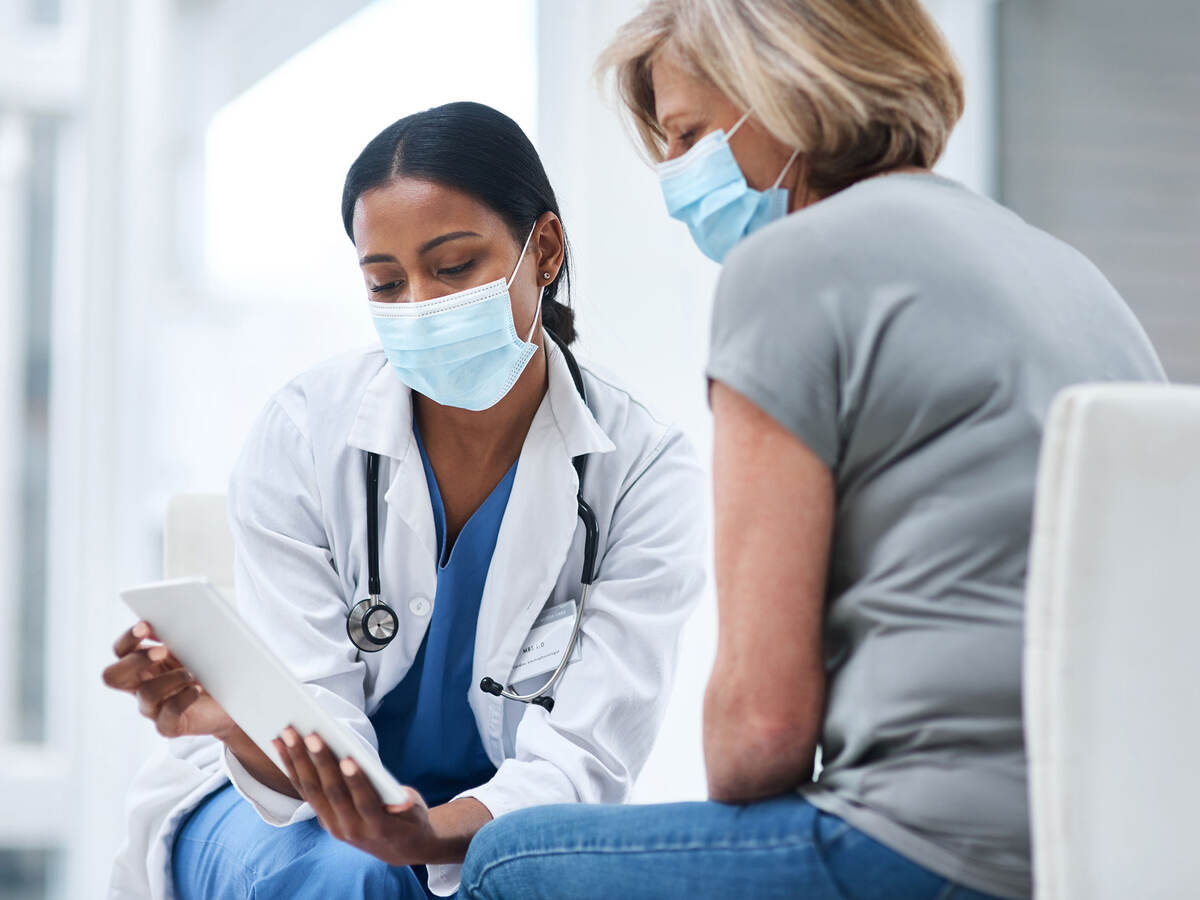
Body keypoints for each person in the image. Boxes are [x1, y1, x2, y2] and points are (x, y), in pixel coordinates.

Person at [457, 3, 1166, 899]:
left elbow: (758, 737)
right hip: (1105, 847)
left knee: (507, 861)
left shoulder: (789, 268)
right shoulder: (1067, 272)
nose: (676, 179)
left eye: (687, 135)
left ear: (788, 89)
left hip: (931, 852)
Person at [103, 101, 706, 900]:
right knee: (359, 879)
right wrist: (244, 732)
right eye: (386, 283)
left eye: (453, 267)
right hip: (276, 809)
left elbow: (586, 758)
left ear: (546, 249)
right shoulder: (305, 435)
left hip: (490, 824)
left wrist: (425, 834)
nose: (420, 304)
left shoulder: (641, 472)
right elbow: (308, 728)